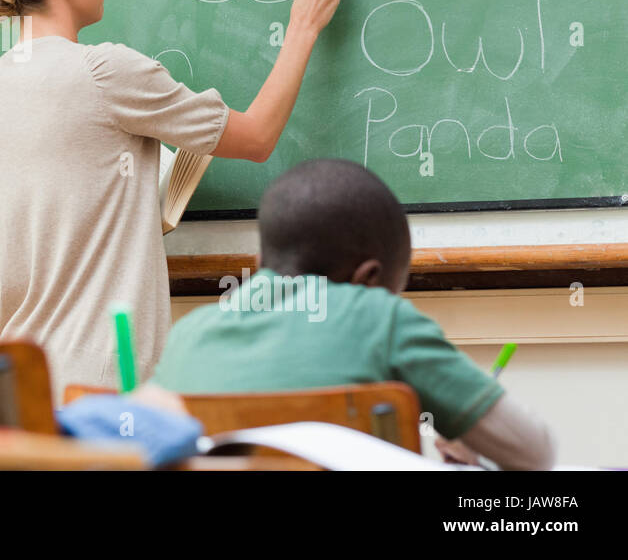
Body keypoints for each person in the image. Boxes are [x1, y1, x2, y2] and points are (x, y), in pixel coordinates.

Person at [0, 0, 341, 396]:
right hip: (107, 389)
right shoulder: (104, 71)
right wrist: (304, 28)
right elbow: (258, 138)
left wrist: (89, 218)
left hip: (20, 391)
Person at [151, 158, 557, 470]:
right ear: (369, 278)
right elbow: (534, 454)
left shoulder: (189, 334)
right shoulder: (378, 317)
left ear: (261, 265)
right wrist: (469, 440)